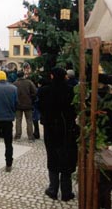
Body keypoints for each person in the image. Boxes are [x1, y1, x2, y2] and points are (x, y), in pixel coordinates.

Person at [38, 67, 77, 202]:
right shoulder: (70, 90)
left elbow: (40, 107)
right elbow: (74, 109)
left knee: (53, 156)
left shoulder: (45, 90)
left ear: (52, 76)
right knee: (66, 158)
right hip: (67, 129)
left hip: (51, 129)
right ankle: (66, 191)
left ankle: (53, 189)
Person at [13, 71, 37, 141]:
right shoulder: (29, 82)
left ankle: (18, 136)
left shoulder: (15, 83)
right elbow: (35, 92)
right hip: (28, 104)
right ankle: (30, 137)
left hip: (18, 105)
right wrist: (31, 99)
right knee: (29, 121)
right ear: (24, 75)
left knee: (18, 120)